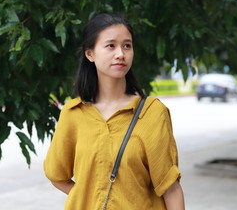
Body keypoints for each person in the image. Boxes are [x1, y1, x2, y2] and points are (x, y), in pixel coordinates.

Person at [44, 13, 185, 209]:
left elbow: (171, 188)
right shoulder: (73, 112)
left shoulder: (152, 112)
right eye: (111, 45)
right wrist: (93, 199)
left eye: (127, 45)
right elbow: (57, 176)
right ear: (90, 54)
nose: (120, 53)